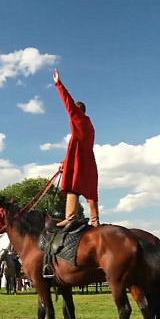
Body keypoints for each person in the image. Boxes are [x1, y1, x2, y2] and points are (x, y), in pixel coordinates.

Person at [50, 69, 100, 228]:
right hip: (86, 159)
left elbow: (68, 103)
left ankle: (71, 217)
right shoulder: (89, 126)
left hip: (79, 160)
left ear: (78, 111)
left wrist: (59, 84)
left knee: (72, 187)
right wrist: (65, 162)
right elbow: (76, 146)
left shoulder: (78, 119)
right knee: (90, 189)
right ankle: (95, 220)